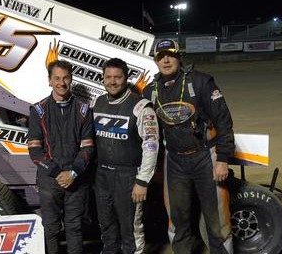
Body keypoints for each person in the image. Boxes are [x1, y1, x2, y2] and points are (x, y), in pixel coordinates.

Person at [142, 39, 235, 254]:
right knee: (177, 221)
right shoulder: (150, 91)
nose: (166, 60)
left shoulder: (201, 82)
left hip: (206, 157)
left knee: (217, 221)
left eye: (170, 55)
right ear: (155, 61)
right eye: (160, 56)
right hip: (174, 161)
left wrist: (222, 159)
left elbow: (223, 121)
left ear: (179, 57)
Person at [92, 58, 159, 254]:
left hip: (129, 175)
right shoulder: (97, 102)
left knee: (130, 227)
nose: (112, 82)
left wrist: (142, 181)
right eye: (108, 77)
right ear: (103, 79)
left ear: (126, 78)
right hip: (102, 174)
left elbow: (151, 146)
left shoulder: (141, 107)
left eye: (118, 77)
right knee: (106, 225)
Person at [27, 60, 95, 254]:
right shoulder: (38, 111)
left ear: (71, 79)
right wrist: (58, 173)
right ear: (49, 81)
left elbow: (88, 148)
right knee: (51, 228)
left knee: (75, 227)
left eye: (65, 78)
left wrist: (73, 173)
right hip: (50, 180)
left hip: (76, 179)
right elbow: (34, 151)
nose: (61, 83)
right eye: (57, 78)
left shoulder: (83, 110)